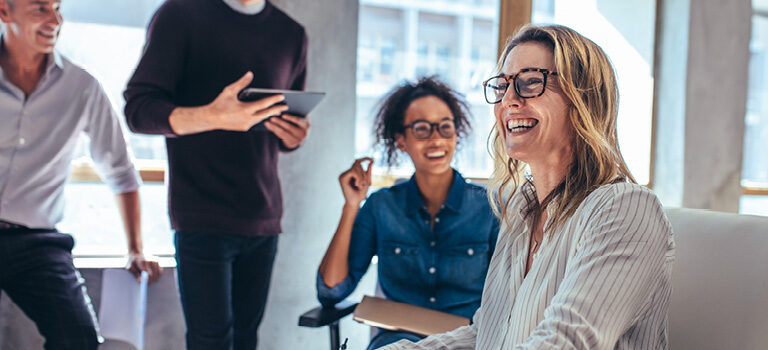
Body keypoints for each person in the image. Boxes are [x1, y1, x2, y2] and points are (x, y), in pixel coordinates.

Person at [382, 25, 675, 350]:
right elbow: (487, 334)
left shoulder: (625, 209)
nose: (508, 100)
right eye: (503, 86)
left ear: (582, 98)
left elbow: (565, 344)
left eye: (530, 82)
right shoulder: (521, 209)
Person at [123, 0, 310, 349]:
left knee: (245, 340)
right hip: (201, 214)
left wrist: (292, 137)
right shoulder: (180, 14)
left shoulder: (292, 34)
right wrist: (213, 116)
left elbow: (281, 126)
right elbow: (138, 111)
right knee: (210, 341)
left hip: (263, 216)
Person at [0, 0, 162, 348]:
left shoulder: (82, 87)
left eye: (58, 8)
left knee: (79, 340)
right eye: (40, 8)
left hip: (37, 243)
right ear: (4, 11)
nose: (55, 19)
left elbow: (120, 170)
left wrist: (136, 248)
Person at [317, 77, 499, 349]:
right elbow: (331, 290)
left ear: (456, 134)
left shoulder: (490, 209)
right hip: (397, 342)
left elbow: (511, 296)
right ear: (401, 140)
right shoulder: (381, 207)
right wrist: (351, 206)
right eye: (422, 129)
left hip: (468, 341)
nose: (436, 138)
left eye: (445, 127)